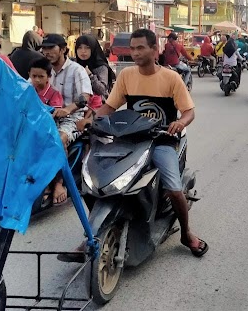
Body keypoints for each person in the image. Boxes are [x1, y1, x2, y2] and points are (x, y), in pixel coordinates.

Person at [75, 29, 208, 259]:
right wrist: (90, 119)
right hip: (129, 140)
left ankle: (186, 233)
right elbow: (110, 107)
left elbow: (189, 111)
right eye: (132, 48)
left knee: (174, 190)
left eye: (140, 48)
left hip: (161, 141)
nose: (135, 53)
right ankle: (95, 229)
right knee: (91, 181)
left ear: (154, 50)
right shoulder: (127, 75)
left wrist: (179, 122)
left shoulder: (171, 78)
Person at [40, 34, 92, 150]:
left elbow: (85, 96)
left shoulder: (77, 70)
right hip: (46, 117)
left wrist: (67, 109)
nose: (47, 52)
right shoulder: (42, 71)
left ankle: (62, 168)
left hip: (72, 118)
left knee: (58, 140)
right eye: (44, 49)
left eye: (51, 48)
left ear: (63, 49)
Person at [75, 34, 115, 110]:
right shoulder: (74, 66)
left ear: (93, 49)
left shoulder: (101, 67)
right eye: (79, 48)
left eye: (87, 48)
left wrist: (90, 75)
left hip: (97, 108)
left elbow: (101, 90)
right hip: (77, 106)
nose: (83, 51)